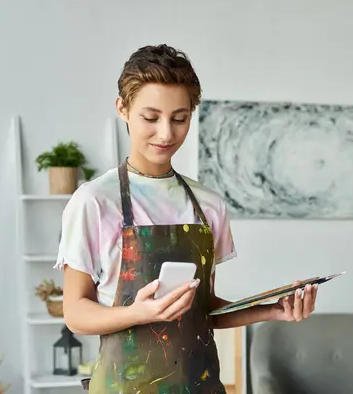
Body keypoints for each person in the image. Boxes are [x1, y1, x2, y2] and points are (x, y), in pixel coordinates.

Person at [54, 44, 318, 394]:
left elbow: (203, 309)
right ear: (123, 108)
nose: (166, 133)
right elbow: (75, 314)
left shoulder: (208, 206)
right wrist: (141, 313)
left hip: (200, 385)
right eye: (151, 118)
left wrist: (271, 310)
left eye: (179, 118)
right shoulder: (93, 202)